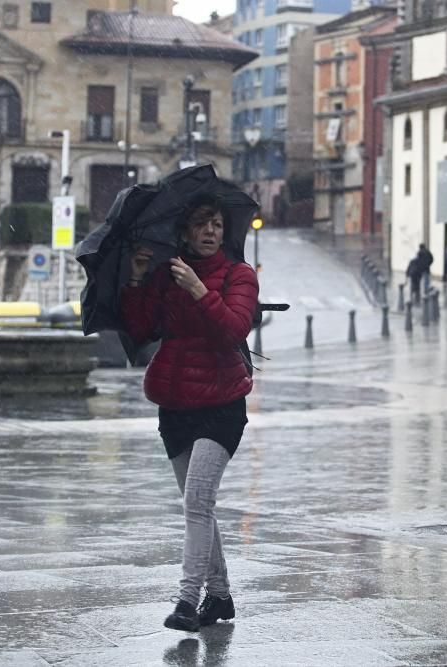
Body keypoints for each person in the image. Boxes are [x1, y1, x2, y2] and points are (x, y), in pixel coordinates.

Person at [121, 197, 259, 633]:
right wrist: (139, 278)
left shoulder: (240, 275)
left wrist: (200, 290)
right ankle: (219, 596)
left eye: (216, 224)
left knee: (199, 501)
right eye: (201, 224)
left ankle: (186, 601)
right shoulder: (168, 276)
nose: (211, 231)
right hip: (176, 402)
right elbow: (141, 329)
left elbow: (235, 329)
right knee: (197, 505)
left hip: (221, 402)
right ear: (185, 232)